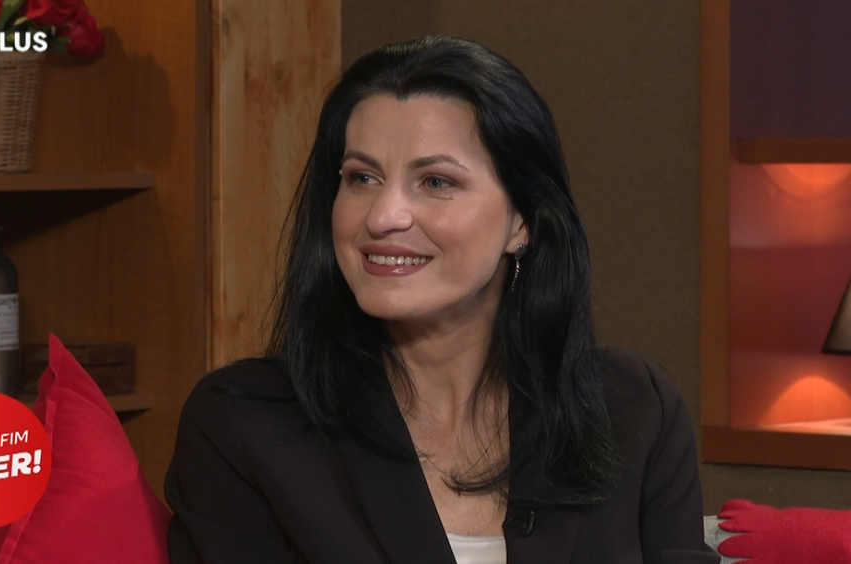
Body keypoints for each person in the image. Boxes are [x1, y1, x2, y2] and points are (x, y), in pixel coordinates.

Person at [165, 34, 719, 564]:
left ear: (522, 220)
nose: (383, 217)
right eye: (361, 178)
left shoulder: (633, 410)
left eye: (435, 182)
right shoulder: (243, 425)